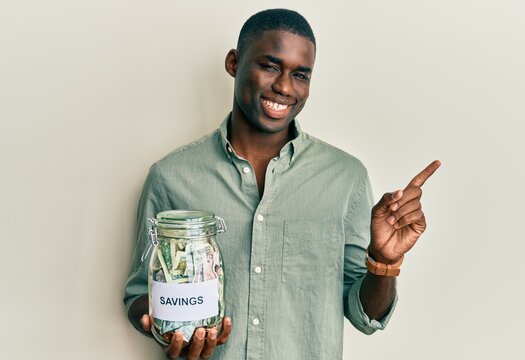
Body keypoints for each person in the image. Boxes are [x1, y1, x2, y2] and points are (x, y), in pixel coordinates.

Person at [123, 8, 440, 360]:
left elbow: (365, 315)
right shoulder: (171, 176)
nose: (285, 87)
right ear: (233, 63)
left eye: (300, 75)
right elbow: (140, 293)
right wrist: (164, 327)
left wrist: (383, 261)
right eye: (270, 66)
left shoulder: (346, 178)